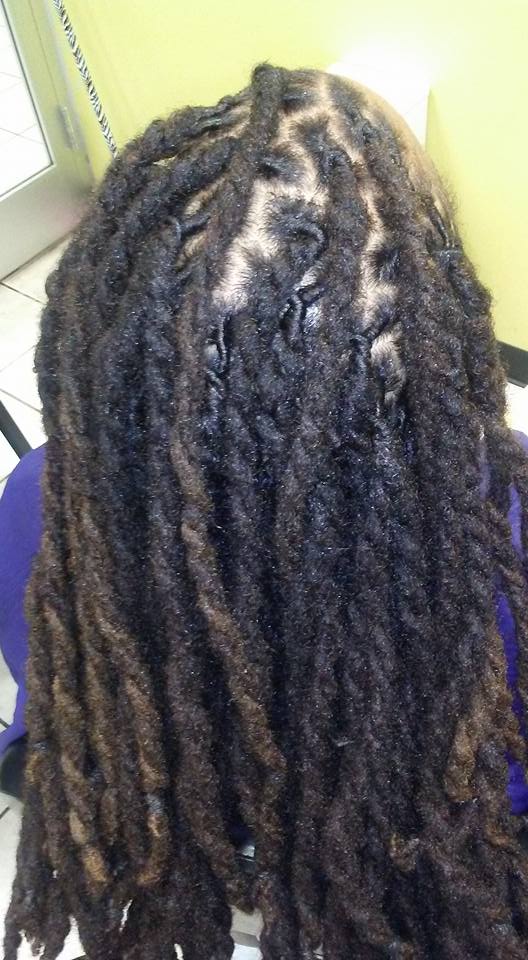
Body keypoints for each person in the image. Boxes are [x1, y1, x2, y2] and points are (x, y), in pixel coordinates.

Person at [3, 61, 528, 960]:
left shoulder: (39, 505)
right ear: (444, 316)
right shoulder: (506, 533)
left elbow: (58, 723)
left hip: (196, 853)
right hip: (427, 877)